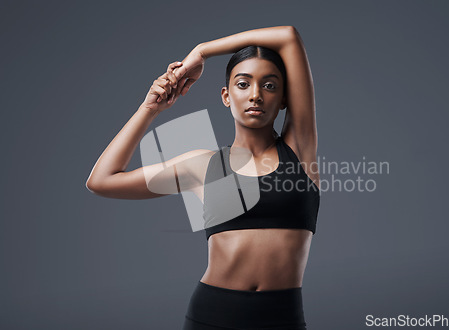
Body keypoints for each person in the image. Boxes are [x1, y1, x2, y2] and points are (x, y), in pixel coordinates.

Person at [86, 25, 320, 330]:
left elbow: (288, 36)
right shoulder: (202, 166)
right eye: (242, 83)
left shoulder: (299, 152)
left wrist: (201, 51)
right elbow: (101, 180)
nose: (256, 95)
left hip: (283, 318)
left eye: (270, 85)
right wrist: (149, 109)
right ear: (226, 96)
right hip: (213, 316)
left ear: (285, 99)